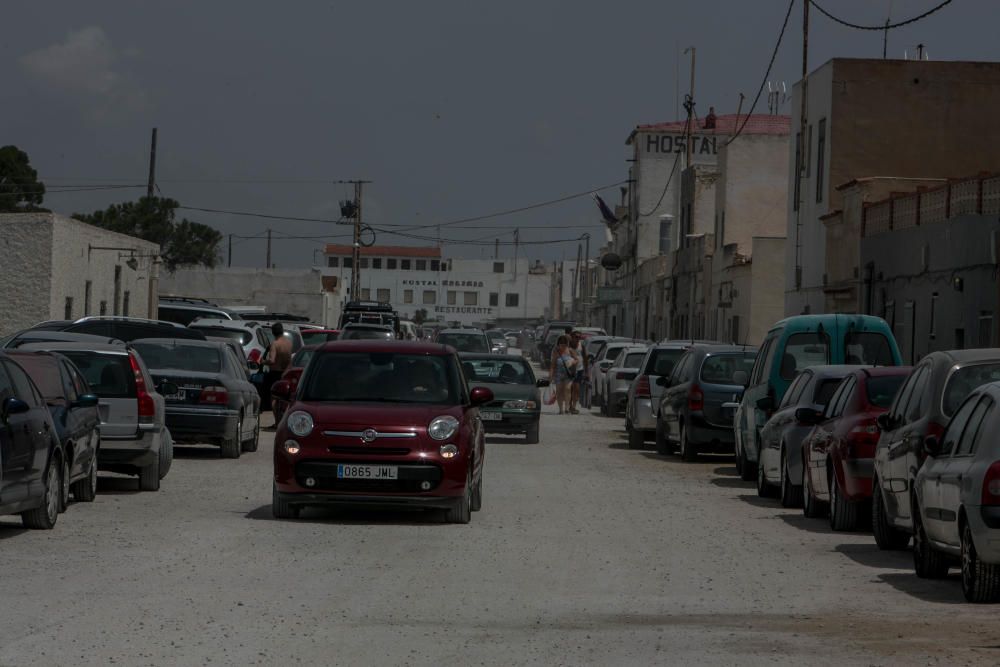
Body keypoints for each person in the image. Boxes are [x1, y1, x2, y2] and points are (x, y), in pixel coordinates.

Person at [264, 322, 293, 425]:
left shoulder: (275, 344)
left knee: (274, 398)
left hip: (275, 373)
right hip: (286, 373)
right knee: (285, 398)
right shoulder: (289, 343)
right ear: (282, 331)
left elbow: (272, 360)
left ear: (273, 332)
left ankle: (277, 422)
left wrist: (263, 362)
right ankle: (284, 420)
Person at [548, 335, 578, 415]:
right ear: (558, 344)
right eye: (561, 344)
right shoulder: (556, 351)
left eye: (564, 344)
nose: (563, 346)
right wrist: (550, 375)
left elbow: (577, 360)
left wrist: (572, 362)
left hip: (568, 374)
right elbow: (553, 364)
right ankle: (561, 409)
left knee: (568, 389)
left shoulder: (570, 351)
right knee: (559, 391)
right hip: (558, 374)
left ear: (567, 344)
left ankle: (567, 408)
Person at [568, 330, 587, 413]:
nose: (578, 339)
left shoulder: (581, 345)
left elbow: (585, 357)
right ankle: (569, 406)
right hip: (569, 370)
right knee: (570, 389)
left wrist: (587, 371)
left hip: (579, 369)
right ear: (572, 337)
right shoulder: (568, 346)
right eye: (576, 337)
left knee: (577, 389)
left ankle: (574, 407)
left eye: (579, 337)